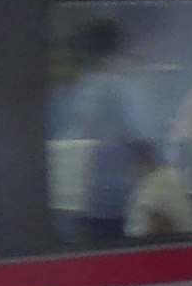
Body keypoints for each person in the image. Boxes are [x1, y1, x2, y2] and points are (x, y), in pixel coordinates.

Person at [49, 14, 153, 244]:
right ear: (120, 45)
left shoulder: (78, 87)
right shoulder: (123, 87)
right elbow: (142, 141)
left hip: (74, 197)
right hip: (114, 201)